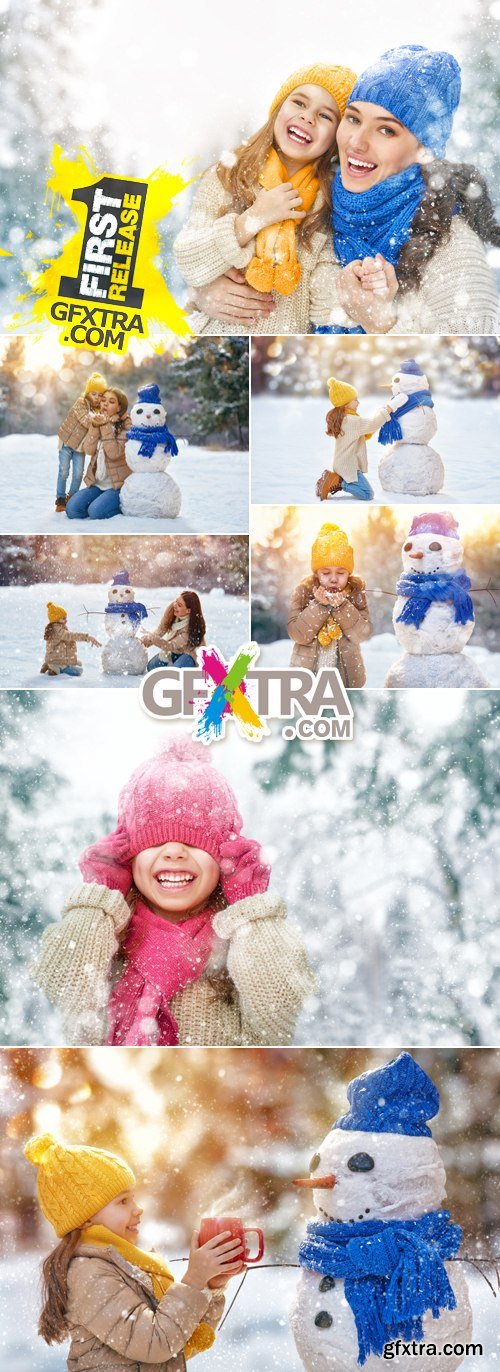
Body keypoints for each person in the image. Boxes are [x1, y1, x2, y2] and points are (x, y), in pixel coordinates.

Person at [32, 736, 314, 1046]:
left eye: (194, 841)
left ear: (223, 858)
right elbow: (66, 987)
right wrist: (99, 899)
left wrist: (251, 908)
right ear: (129, 856)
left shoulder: (239, 943)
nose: (174, 852)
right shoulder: (105, 935)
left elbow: (278, 1014)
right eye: (154, 841)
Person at [24, 1132, 240, 1370]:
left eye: (133, 1198)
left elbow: (177, 1345)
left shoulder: (128, 1267)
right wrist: (193, 1280)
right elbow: (157, 1343)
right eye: (123, 1201)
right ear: (85, 1219)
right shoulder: (90, 1275)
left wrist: (210, 1287)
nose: (138, 1209)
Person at [327, 44, 500, 334]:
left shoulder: (455, 252)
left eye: (387, 130)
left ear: (424, 151)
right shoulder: (317, 211)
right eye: (354, 118)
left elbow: (472, 371)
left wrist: (378, 323)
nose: (356, 142)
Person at [174, 63, 357, 334]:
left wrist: (354, 289)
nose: (308, 118)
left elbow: (325, 305)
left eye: (326, 116)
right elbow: (188, 259)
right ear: (278, 108)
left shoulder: (328, 202)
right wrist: (254, 218)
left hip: (276, 348)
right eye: (299, 102)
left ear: (336, 137)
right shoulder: (227, 175)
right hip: (216, 345)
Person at [287, 522, 371, 685]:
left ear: (348, 574)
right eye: (326, 572)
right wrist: (319, 606)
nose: (333, 578)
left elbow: (362, 634)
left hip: (344, 678)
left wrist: (343, 607)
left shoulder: (355, 593)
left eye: (340, 573)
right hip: (307, 679)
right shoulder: (303, 592)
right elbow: (297, 634)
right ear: (317, 574)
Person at [66, 388, 131, 521]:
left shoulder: (126, 428)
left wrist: (105, 425)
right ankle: (101, 502)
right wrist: (95, 427)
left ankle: (120, 505)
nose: (105, 404)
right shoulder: (98, 422)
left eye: (111, 402)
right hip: (97, 485)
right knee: (72, 509)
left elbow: (114, 453)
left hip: (117, 486)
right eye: (103, 401)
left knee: (95, 512)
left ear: (119, 408)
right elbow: (88, 450)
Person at [324, 376, 392, 500]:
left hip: (342, 463)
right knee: (368, 494)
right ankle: (338, 483)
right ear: (345, 402)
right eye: (355, 399)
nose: (358, 402)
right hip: (348, 466)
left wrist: (380, 415)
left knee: (366, 491)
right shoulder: (351, 420)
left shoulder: (343, 418)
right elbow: (372, 424)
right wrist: (387, 410)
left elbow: (368, 427)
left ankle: (336, 480)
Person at [56, 372, 106, 512]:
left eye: (99, 395)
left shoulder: (98, 412)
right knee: (64, 471)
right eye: (93, 394)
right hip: (67, 443)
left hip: (80, 448)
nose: (96, 397)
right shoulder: (81, 403)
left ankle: (71, 498)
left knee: (78, 474)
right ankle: (60, 499)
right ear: (88, 393)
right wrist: (101, 419)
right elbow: (85, 420)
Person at [142, 591, 206, 671]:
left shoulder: (191, 627)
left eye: (179, 605)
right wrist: (144, 641)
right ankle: (174, 664)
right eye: (176, 601)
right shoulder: (172, 610)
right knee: (152, 667)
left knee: (174, 673)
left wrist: (153, 638)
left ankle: (188, 668)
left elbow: (171, 645)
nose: (175, 605)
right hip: (174, 652)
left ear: (188, 611)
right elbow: (161, 629)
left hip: (189, 654)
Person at [40, 602, 101, 677]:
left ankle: (50, 663)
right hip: (58, 660)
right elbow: (71, 636)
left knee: (79, 663)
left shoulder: (55, 627)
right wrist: (87, 637)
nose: (66, 620)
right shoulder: (57, 630)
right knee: (79, 671)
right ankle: (56, 668)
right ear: (56, 619)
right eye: (63, 618)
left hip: (56, 657)